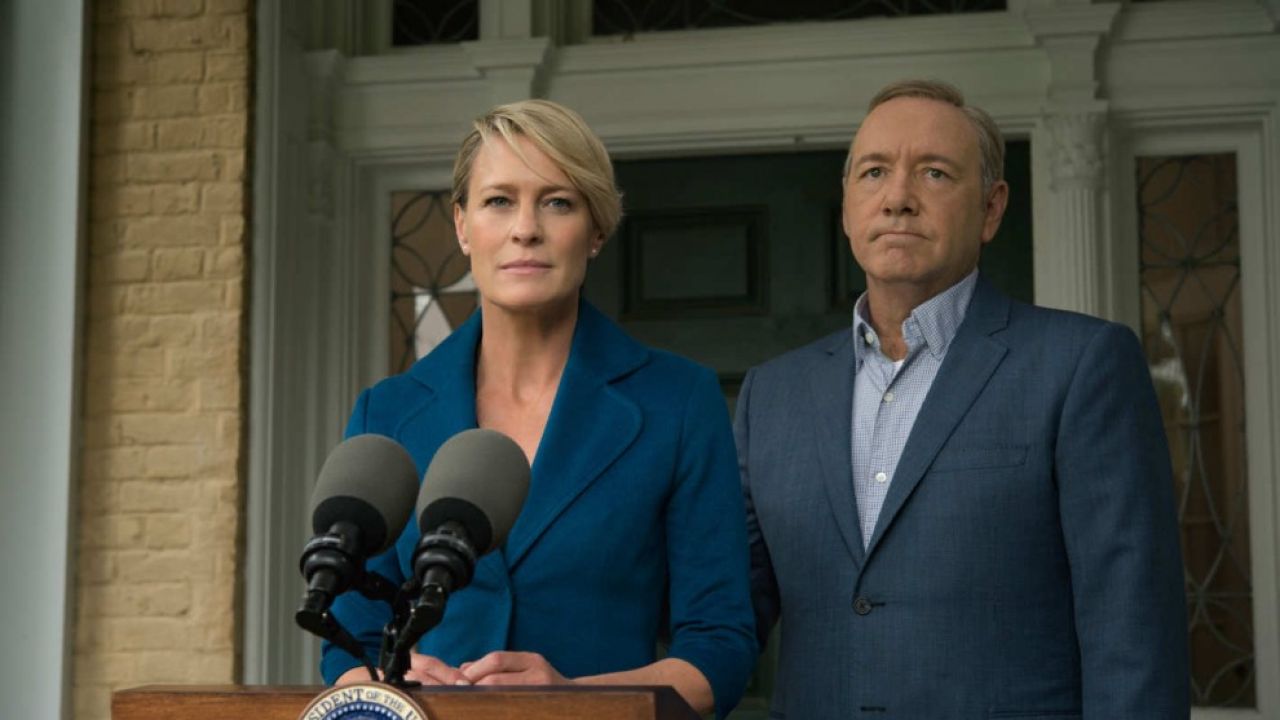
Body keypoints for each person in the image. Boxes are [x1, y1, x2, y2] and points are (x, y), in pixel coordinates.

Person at [735, 80, 1189, 717]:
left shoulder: (1081, 365)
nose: (897, 198)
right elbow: (725, 612)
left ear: (991, 208)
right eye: (873, 172)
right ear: (847, 208)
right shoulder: (773, 394)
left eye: (934, 173)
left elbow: (1132, 626)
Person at [322, 99, 757, 718]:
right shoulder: (386, 413)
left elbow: (719, 649)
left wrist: (574, 700)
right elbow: (349, 642)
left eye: (557, 202)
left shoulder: (679, 403)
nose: (525, 228)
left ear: (597, 230)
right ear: (462, 226)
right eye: (499, 201)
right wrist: (385, 683)